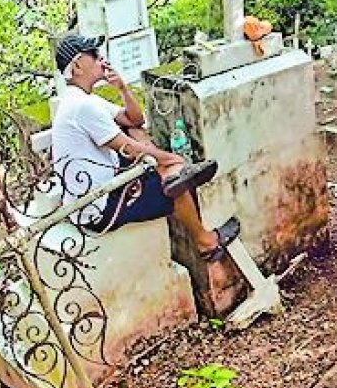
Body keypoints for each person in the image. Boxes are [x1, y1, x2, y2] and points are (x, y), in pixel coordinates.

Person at [50, 35, 240, 268]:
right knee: (173, 183)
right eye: (94, 55)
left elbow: (134, 119)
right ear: (78, 65)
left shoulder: (82, 100)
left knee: (147, 145)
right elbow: (127, 149)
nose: (101, 59)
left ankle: (171, 172)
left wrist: (122, 87)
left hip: (102, 187)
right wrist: (169, 158)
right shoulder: (81, 106)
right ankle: (206, 242)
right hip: (99, 209)